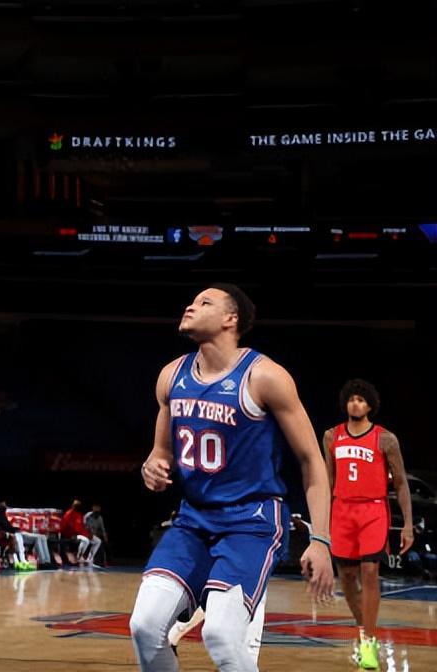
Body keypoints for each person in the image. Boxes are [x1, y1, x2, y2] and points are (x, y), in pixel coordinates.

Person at [130, 284, 335, 672]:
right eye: (192, 301)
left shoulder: (265, 376)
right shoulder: (171, 376)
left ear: (230, 319)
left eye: (204, 302)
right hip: (194, 519)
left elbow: (312, 461)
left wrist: (320, 539)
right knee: (144, 626)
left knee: (221, 635)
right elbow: (160, 454)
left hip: (252, 521)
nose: (190, 306)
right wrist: (152, 468)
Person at [323, 378, 414, 670]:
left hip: (373, 510)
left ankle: (369, 642)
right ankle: (365, 630)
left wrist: (408, 525)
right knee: (348, 577)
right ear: (345, 403)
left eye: (361, 400)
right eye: (352, 399)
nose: (356, 403)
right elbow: (328, 481)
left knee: (370, 571)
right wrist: (321, 522)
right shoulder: (331, 436)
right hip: (342, 510)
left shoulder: (386, 439)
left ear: (370, 406)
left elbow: (401, 484)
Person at [61, 500, 100, 566]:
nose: (77, 507)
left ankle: (89, 560)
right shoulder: (69, 514)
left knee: (98, 541)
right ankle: (78, 558)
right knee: (86, 541)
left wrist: (88, 534)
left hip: (81, 534)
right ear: (73, 506)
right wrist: (71, 534)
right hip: (72, 534)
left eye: (78, 506)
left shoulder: (79, 514)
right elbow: (65, 526)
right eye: (76, 506)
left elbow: (82, 527)